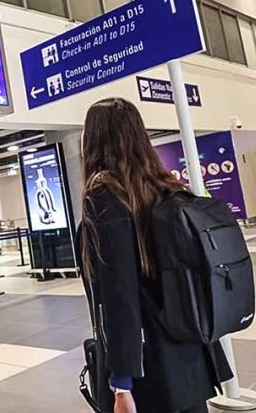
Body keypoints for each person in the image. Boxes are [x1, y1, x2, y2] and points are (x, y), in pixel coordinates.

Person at [79, 98, 231, 413]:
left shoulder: (105, 194)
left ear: (93, 139)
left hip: (150, 366)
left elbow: (120, 294)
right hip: (189, 348)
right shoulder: (165, 186)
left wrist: (121, 383)